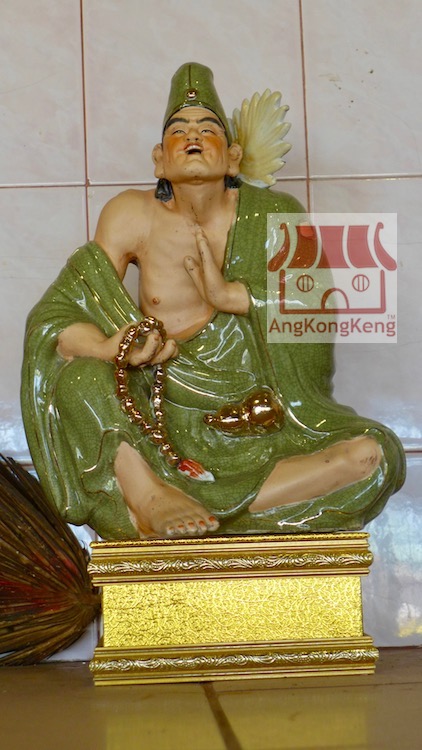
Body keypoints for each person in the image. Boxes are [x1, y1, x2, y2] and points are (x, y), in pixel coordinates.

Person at [21, 63, 405, 540]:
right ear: (159, 160)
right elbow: (57, 320)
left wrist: (233, 296)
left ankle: (193, 505)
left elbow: (314, 317)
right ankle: (151, 494)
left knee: (373, 456)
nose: (193, 138)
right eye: (178, 131)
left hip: (261, 420)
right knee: (78, 377)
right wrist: (108, 347)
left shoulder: (275, 214)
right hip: (160, 417)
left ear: (234, 156)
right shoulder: (129, 216)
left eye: (207, 129)